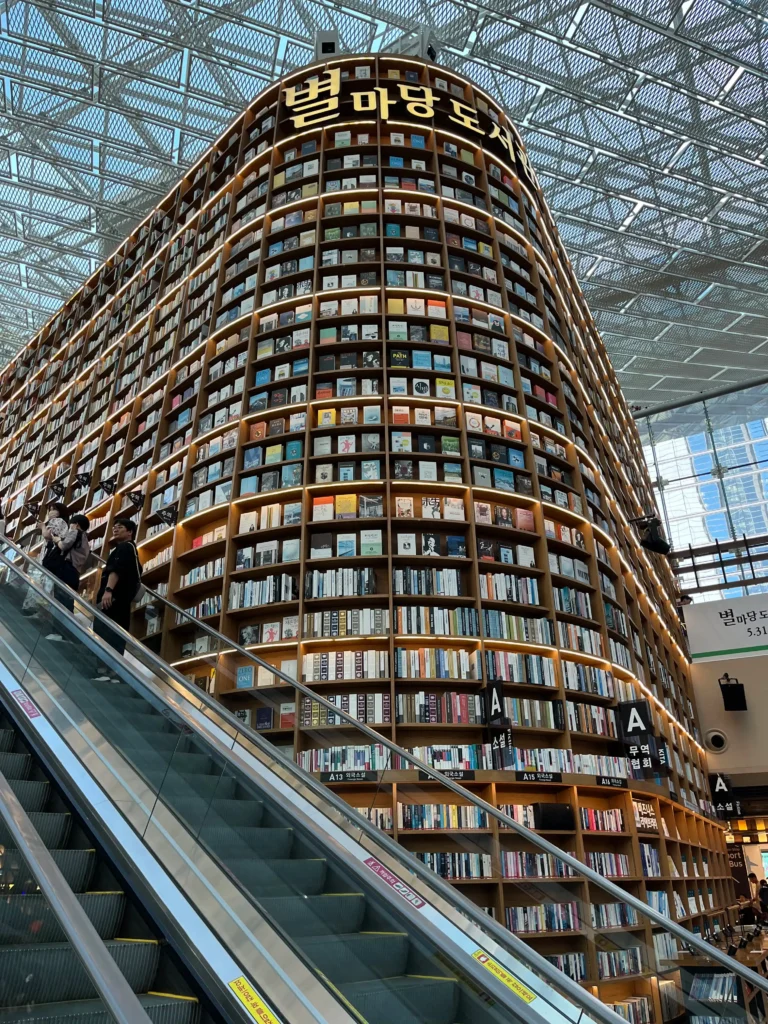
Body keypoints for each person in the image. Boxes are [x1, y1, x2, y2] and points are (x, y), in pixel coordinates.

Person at [94, 519, 142, 657]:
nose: (115, 529)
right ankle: (112, 673)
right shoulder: (132, 550)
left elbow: (115, 570)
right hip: (122, 600)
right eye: (114, 527)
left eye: (120, 527)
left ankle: (103, 669)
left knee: (105, 632)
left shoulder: (124, 547)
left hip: (113, 599)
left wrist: (108, 590)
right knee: (117, 632)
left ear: (130, 532)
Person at [44, 514, 91, 639]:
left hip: (66, 569)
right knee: (67, 602)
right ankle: (65, 634)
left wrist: (57, 540)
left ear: (76, 524)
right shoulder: (86, 540)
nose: (70, 527)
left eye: (71, 524)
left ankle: (58, 632)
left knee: (60, 601)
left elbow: (64, 546)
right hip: (74, 573)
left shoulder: (75, 532)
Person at [23, 501, 71, 616]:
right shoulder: (64, 523)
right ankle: (40, 610)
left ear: (60, 511)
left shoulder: (58, 521)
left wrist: (43, 526)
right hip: (50, 556)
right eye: (50, 509)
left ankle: (36, 609)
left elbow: (48, 536)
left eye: (54, 509)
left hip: (50, 557)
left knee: (43, 583)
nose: (51, 512)